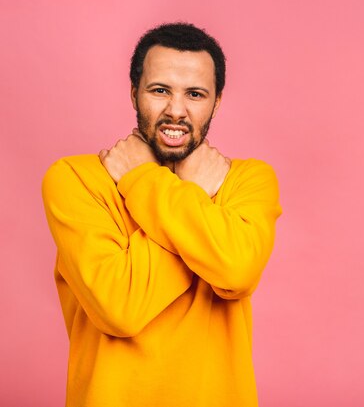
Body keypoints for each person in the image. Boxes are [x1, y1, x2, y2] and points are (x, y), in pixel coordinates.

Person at [41, 22, 281, 407]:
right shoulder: (74, 178)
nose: (176, 111)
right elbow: (118, 307)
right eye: (160, 90)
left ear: (217, 101)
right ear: (134, 92)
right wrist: (195, 197)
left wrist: (141, 178)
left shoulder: (248, 180)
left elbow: (237, 271)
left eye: (196, 94)